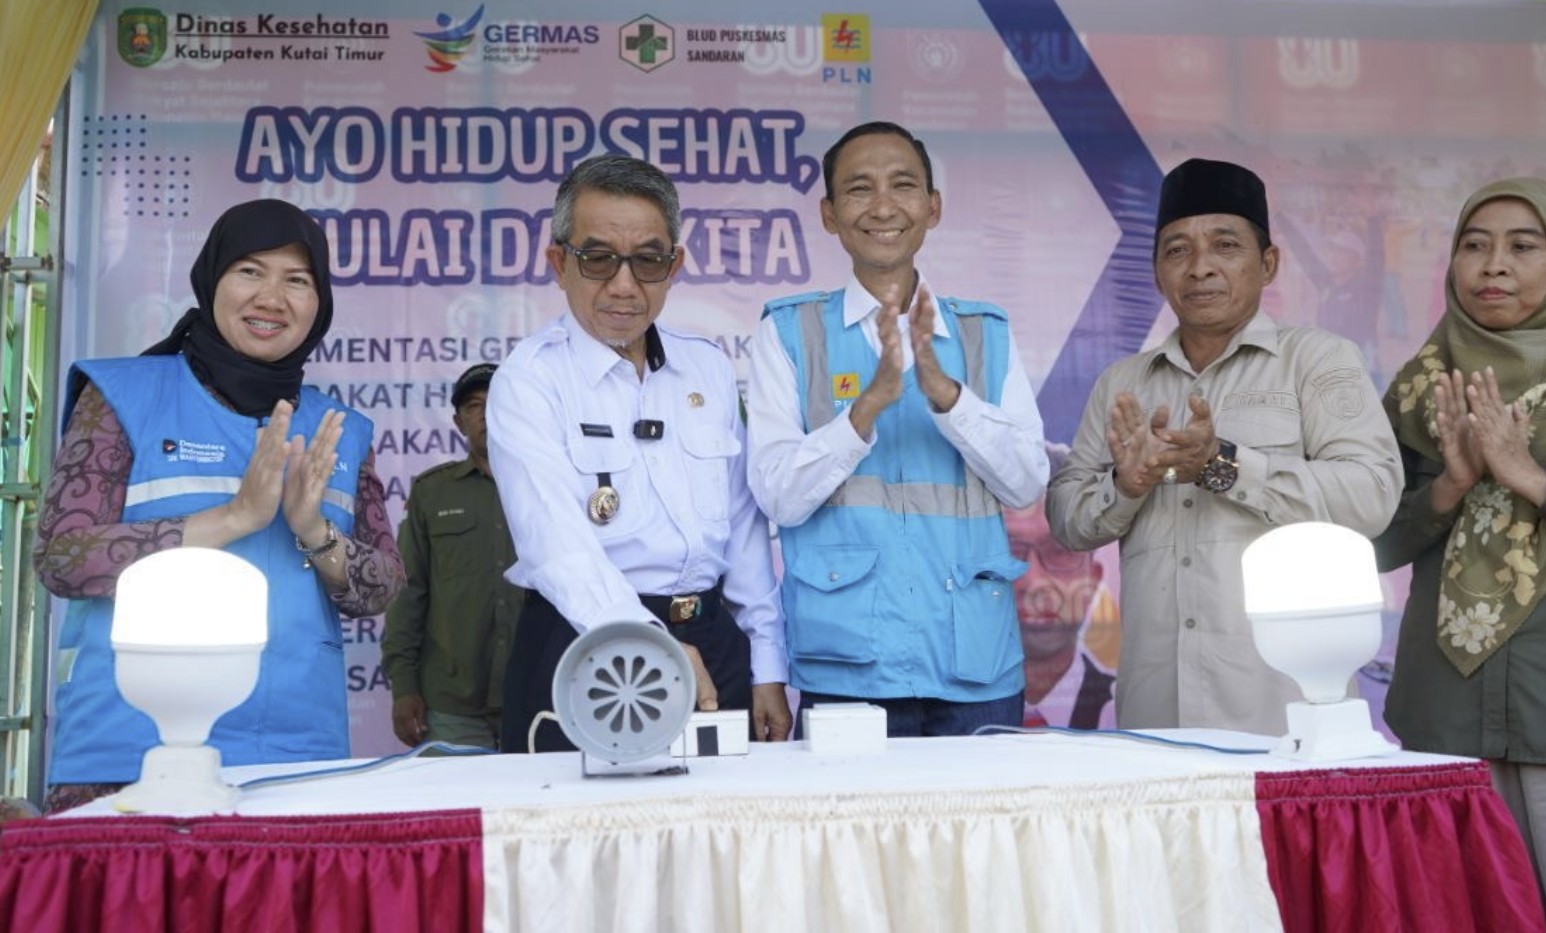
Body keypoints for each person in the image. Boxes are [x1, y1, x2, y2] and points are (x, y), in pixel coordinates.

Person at [33, 198, 404, 812]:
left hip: (295, 757)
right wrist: (234, 518)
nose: (271, 298)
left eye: (297, 280)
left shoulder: (340, 430)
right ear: (211, 280)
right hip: (129, 755)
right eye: (250, 271)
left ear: (320, 302)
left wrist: (313, 529)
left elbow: (381, 588)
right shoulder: (123, 395)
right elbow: (62, 557)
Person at [1045, 158, 1401, 735]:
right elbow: (1067, 521)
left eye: (1225, 245)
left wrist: (1223, 465)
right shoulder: (1122, 383)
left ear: (1269, 263)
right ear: (1157, 272)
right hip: (1158, 714)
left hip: (1285, 711)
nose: (1200, 267)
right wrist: (1126, 486)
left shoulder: (1317, 360)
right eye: (1177, 250)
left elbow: (1373, 497)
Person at [1375, 178, 1546, 933]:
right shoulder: (1420, 390)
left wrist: (1536, 482)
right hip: (1447, 714)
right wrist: (1450, 486)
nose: (1493, 264)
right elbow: (1371, 543)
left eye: (1523, 246)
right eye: (1474, 244)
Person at [747, 121, 1049, 737]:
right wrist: (865, 410)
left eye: (903, 185)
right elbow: (777, 496)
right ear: (829, 214)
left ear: (933, 207)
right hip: (847, 665)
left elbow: (1025, 485)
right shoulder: (788, 332)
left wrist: (948, 399)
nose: (883, 207)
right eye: (859, 189)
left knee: (984, 809)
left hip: (976, 665)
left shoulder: (984, 333)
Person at [488, 154, 790, 753]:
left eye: (648, 261)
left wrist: (767, 663)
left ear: (674, 265)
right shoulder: (530, 379)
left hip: (713, 643)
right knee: (582, 816)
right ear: (559, 263)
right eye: (598, 258)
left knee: (728, 813)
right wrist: (650, 645)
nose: (624, 286)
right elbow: (556, 548)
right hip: (588, 646)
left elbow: (745, 530)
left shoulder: (705, 366)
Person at [381, 362, 523, 750]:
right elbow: (407, 592)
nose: (486, 414)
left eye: (497, 402)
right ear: (459, 422)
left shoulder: (553, 487)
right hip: (451, 705)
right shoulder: (432, 492)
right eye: (474, 406)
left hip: (537, 695)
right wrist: (404, 686)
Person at [1007, 458, 1117, 729]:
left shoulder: (1127, 708)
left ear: (1094, 579)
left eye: (1058, 551)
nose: (1033, 582)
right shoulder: (940, 719)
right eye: (1009, 550)